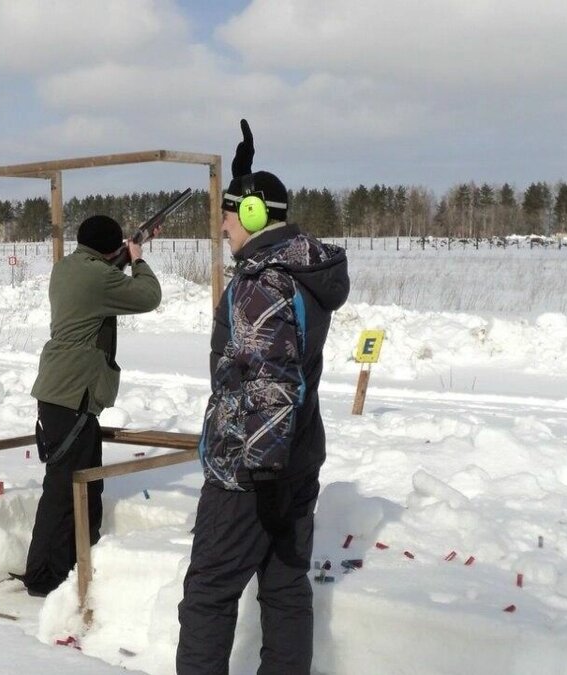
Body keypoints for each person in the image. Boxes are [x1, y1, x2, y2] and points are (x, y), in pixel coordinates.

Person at [177, 120, 349, 674]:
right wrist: (244, 180)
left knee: (208, 594)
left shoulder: (259, 286)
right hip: (294, 459)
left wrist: (262, 475)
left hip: (251, 471)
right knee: (284, 587)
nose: (223, 225)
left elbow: (270, 383)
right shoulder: (295, 269)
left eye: (229, 213)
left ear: (250, 217)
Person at [20, 215, 162, 597]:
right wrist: (138, 258)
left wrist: (122, 254)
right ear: (111, 248)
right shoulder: (100, 277)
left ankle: (72, 564)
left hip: (60, 391)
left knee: (81, 485)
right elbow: (149, 296)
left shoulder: (66, 268)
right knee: (66, 489)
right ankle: (45, 576)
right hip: (73, 394)